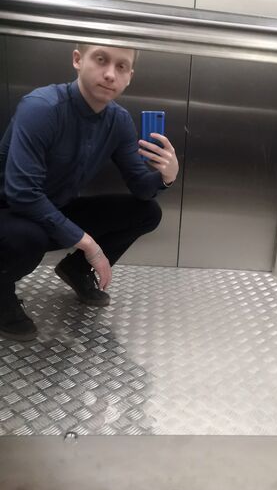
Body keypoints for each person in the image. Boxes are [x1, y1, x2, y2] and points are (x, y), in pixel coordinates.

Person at [0, 43, 179, 342]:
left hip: (55, 209)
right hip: (9, 213)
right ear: (77, 59)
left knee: (147, 213)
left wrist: (167, 176)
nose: (110, 74)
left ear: (130, 76)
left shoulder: (118, 120)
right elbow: (22, 194)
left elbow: (141, 188)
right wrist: (89, 245)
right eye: (101, 59)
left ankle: (76, 270)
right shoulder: (41, 107)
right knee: (28, 237)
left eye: (121, 66)